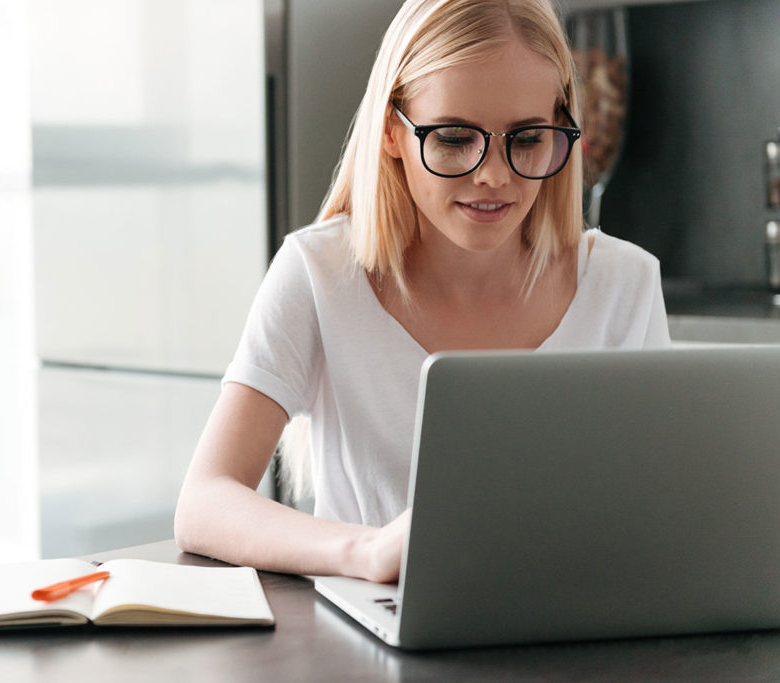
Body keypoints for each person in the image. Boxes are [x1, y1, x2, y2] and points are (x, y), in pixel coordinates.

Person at [174, 0, 670, 583]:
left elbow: (659, 512)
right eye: (456, 138)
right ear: (391, 130)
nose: (493, 175)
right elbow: (205, 500)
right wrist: (366, 552)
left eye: (528, 138)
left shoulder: (625, 284)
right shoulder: (319, 273)